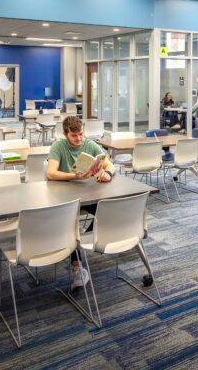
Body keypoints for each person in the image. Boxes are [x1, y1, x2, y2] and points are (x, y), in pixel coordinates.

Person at [47, 116, 115, 290]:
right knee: (70, 225)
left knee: (108, 209)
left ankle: (84, 237)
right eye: (74, 135)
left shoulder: (88, 144)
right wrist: (75, 176)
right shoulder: (58, 147)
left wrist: (108, 173)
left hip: (87, 194)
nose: (78, 139)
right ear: (65, 134)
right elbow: (51, 173)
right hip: (63, 197)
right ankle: (78, 268)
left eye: (81, 135)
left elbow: (110, 165)